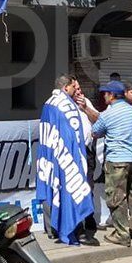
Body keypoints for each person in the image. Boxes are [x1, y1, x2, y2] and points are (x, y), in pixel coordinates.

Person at [36, 75, 97, 246]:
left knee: (53, 187)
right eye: (73, 87)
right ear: (66, 88)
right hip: (67, 156)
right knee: (70, 189)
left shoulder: (49, 103)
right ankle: (72, 230)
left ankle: (53, 229)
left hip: (51, 155)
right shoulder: (65, 105)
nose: (76, 90)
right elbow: (72, 135)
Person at [82, 80, 132, 248]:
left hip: (116, 160)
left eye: (106, 94)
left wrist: (86, 110)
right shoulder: (131, 110)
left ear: (112, 95)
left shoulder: (109, 114)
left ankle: (121, 234)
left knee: (116, 198)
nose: (104, 97)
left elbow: (95, 132)